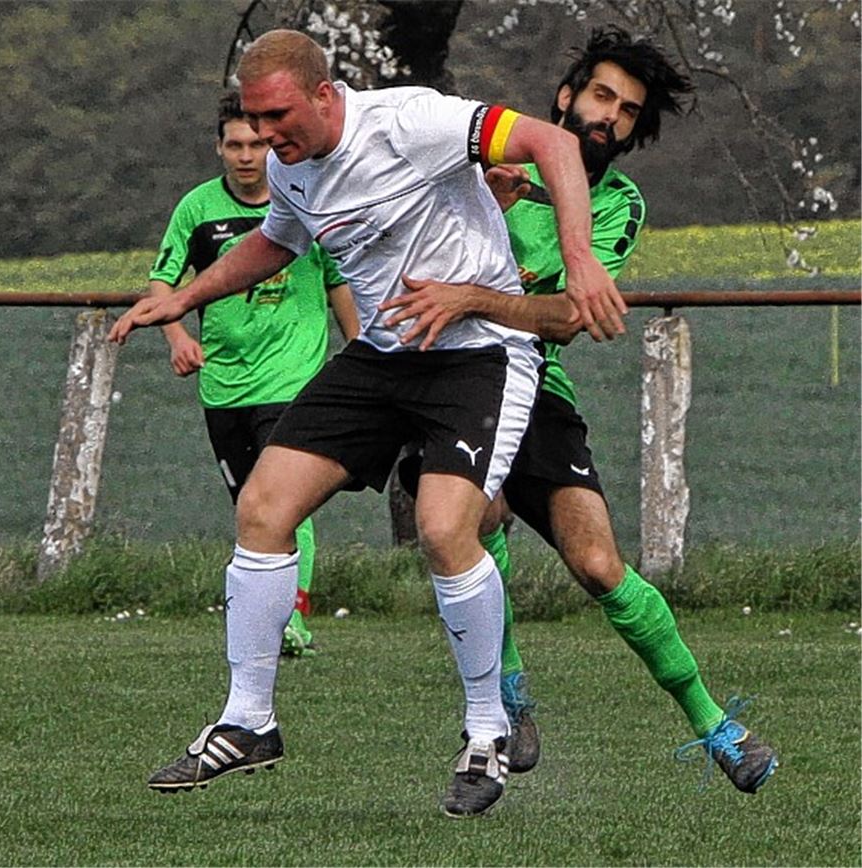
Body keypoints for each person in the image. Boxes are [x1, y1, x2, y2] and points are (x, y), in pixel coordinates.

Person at [110, 28, 626, 818]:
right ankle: (249, 721)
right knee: (262, 507)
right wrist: (185, 297)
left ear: (324, 95)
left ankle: (487, 731)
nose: (267, 136)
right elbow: (277, 241)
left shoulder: (409, 122)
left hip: (478, 352)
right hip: (386, 353)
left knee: (444, 529)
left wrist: (580, 259)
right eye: (254, 119)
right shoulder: (290, 167)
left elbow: (551, 142)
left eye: (278, 116)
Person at [381, 27, 778, 795]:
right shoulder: (482, 166)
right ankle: (509, 696)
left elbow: (565, 316)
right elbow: (417, 274)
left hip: (538, 383)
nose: (609, 116)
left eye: (627, 111)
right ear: (566, 96)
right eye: (601, 96)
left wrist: (476, 296)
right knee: (478, 515)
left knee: (598, 564)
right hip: (451, 381)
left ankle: (714, 726)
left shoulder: (620, 204)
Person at [147, 91, 359, 657]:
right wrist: (178, 338)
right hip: (225, 385)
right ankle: (268, 614)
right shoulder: (197, 209)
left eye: (256, 145)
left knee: (288, 498)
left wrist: (362, 348)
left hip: (293, 379)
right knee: (252, 508)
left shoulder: (307, 197)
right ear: (219, 148)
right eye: (234, 145)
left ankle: (293, 618)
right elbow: (162, 282)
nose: (246, 156)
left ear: (271, 145)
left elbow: (338, 281)